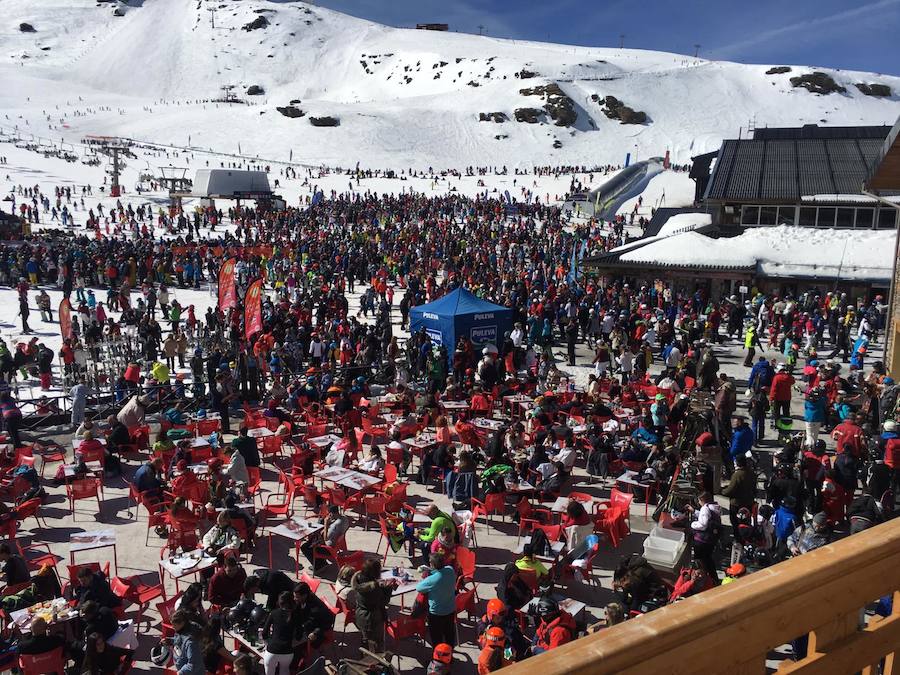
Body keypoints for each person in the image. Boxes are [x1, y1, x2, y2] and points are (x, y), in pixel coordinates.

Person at [351, 558, 396, 653]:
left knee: (366, 639)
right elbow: (383, 601)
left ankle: (366, 654)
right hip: (371, 619)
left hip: (361, 614)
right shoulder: (372, 589)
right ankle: (373, 658)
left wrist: (379, 585)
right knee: (375, 643)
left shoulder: (359, 579)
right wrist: (389, 588)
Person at [416, 553, 457, 647]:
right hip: (450, 610)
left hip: (436, 613)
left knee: (437, 638)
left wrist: (428, 574)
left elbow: (419, 588)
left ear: (432, 564)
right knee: (449, 635)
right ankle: (449, 652)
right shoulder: (450, 570)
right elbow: (443, 571)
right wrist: (432, 570)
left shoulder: (432, 580)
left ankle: (438, 654)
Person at [300, 504, 350, 571]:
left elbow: (325, 538)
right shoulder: (344, 518)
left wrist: (326, 523)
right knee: (313, 539)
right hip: (336, 544)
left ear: (331, 513)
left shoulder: (335, 526)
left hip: (328, 549)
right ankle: (322, 563)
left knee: (305, 547)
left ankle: (318, 567)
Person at [688, 491, 722, 583]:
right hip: (711, 540)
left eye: (699, 501)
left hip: (702, 540)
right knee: (708, 559)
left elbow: (703, 524)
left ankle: (700, 580)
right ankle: (713, 578)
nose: (699, 503)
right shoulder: (715, 507)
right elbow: (707, 517)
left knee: (699, 561)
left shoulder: (705, 508)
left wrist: (692, 524)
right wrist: (694, 511)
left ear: (702, 500)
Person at [261, 591, 297, 675]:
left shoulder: (274, 613)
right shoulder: (296, 615)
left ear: (279, 602)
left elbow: (264, 633)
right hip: (287, 651)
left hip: (272, 651)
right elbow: (299, 635)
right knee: (284, 670)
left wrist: (267, 643)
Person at [292, 581, 335, 650]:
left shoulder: (315, 609)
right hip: (306, 622)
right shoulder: (304, 599)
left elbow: (324, 624)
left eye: (297, 597)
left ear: (304, 595)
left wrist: (315, 633)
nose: (294, 599)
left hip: (315, 629)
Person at [722, 455, 756, 529]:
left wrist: (722, 491)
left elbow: (730, 490)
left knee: (735, 522)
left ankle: (738, 535)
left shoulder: (737, 475)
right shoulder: (751, 473)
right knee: (746, 521)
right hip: (749, 502)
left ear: (737, 463)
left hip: (737, 504)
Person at [168, 610, 204, 675]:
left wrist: (181, 672)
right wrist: (170, 641)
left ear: (182, 623)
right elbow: (179, 641)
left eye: (174, 625)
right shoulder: (181, 629)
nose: (172, 627)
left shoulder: (191, 643)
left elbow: (194, 664)